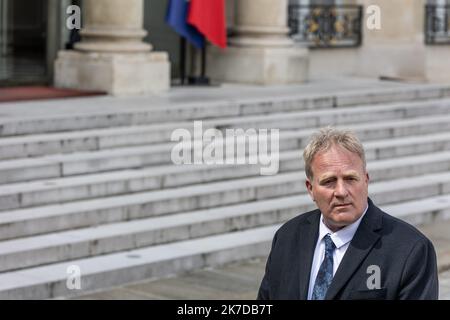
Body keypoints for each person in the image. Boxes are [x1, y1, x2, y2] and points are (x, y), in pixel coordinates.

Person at [257, 127, 438, 300]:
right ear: (310, 188)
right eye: (329, 181)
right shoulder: (287, 237)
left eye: (351, 179)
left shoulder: (411, 249)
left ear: (366, 181)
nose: (341, 191)